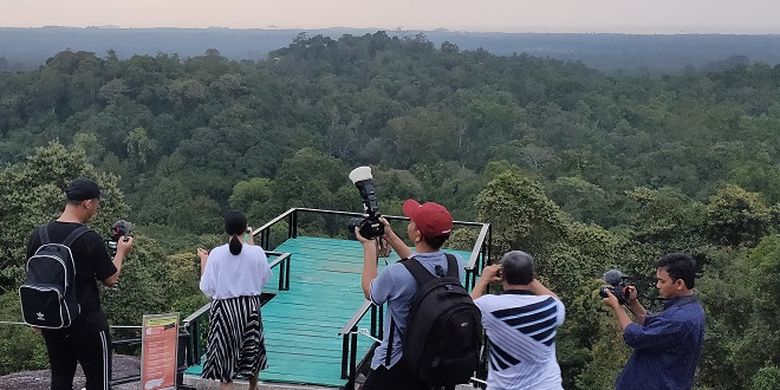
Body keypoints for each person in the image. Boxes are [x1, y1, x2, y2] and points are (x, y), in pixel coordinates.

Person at [26, 177, 134, 390]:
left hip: (54, 322)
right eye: (97, 202)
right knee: (98, 382)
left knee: (60, 380)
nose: (97, 207)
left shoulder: (38, 235)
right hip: (87, 324)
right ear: (87, 203)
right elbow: (111, 278)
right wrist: (121, 252)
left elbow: (32, 276)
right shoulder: (89, 238)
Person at [356, 199, 465, 390]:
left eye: (412, 221)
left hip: (395, 364)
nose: (409, 222)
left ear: (417, 234)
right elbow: (420, 268)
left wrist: (369, 247)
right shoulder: (456, 264)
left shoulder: (396, 273)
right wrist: (389, 235)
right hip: (435, 364)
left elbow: (370, 292)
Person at [602, 253, 706, 390]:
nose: (658, 285)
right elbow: (654, 325)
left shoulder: (681, 319)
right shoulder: (689, 310)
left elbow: (636, 337)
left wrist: (617, 307)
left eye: (662, 281)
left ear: (680, 283)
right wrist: (633, 302)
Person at [470, 250, 565, 390]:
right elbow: (554, 299)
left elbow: (464, 312)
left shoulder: (488, 306)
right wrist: (530, 278)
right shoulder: (551, 307)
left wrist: (484, 279)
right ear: (531, 276)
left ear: (502, 275)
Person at [198, 211, 272, 390]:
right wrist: (252, 244)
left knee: (226, 365)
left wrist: (203, 261)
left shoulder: (216, 254)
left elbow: (207, 288)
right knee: (252, 351)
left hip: (225, 310)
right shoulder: (257, 252)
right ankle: (253, 387)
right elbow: (264, 278)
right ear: (245, 229)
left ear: (226, 230)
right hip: (250, 308)